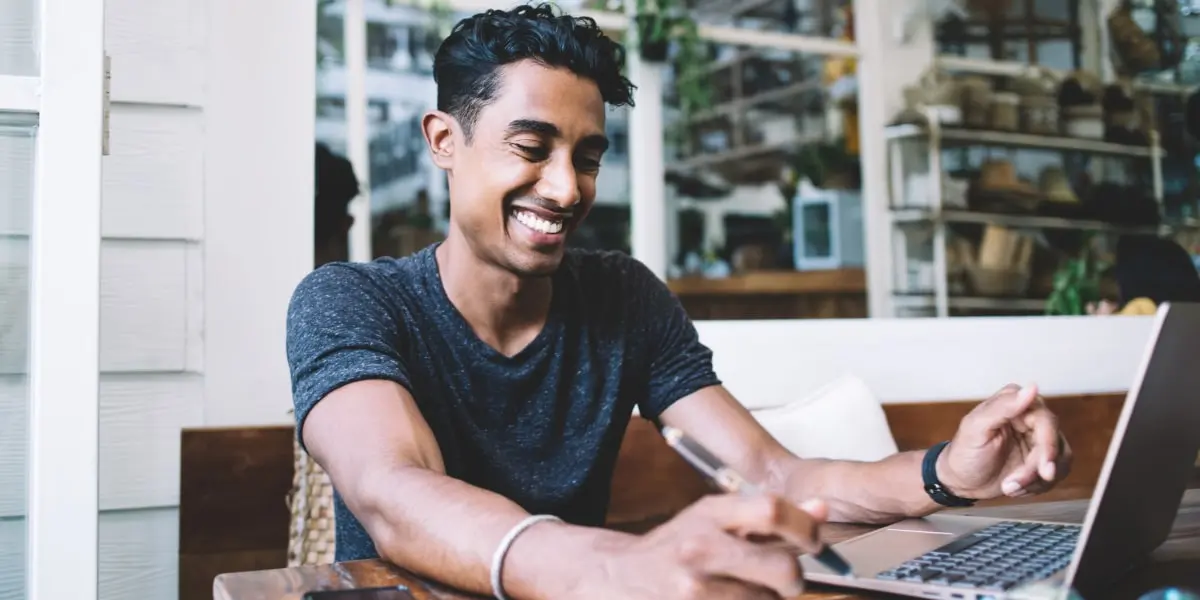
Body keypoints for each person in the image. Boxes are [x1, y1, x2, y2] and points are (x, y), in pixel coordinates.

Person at [285, 5, 1073, 599]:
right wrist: (624, 564)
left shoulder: (622, 298)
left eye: (587, 157)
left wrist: (948, 473)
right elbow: (394, 491)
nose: (565, 187)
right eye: (531, 148)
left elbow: (773, 475)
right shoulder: (349, 302)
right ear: (443, 142)